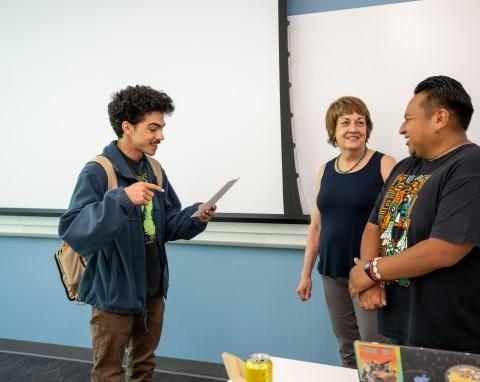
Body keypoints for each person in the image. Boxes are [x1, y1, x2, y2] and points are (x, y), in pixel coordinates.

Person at [58, 85, 216, 382]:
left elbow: (168, 224)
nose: (161, 136)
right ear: (127, 127)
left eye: (162, 127)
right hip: (113, 294)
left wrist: (196, 216)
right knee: (109, 373)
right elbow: (74, 230)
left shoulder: (154, 169)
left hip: (152, 291)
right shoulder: (98, 170)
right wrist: (122, 198)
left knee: (144, 367)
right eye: (153, 128)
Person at [349, 75, 480, 354]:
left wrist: (370, 271)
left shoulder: (470, 166)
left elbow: (444, 249)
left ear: (439, 119)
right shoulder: (405, 166)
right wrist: (370, 282)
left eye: (408, 118)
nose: (401, 128)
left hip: (449, 337)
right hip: (398, 326)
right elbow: (374, 226)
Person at [296, 96, 396, 368]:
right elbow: (316, 226)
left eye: (360, 122)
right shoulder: (324, 170)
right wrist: (306, 274)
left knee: (376, 352)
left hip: (368, 273)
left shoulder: (384, 164)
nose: (354, 128)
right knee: (347, 347)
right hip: (331, 272)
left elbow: (397, 225)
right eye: (346, 122)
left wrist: (379, 274)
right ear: (334, 130)